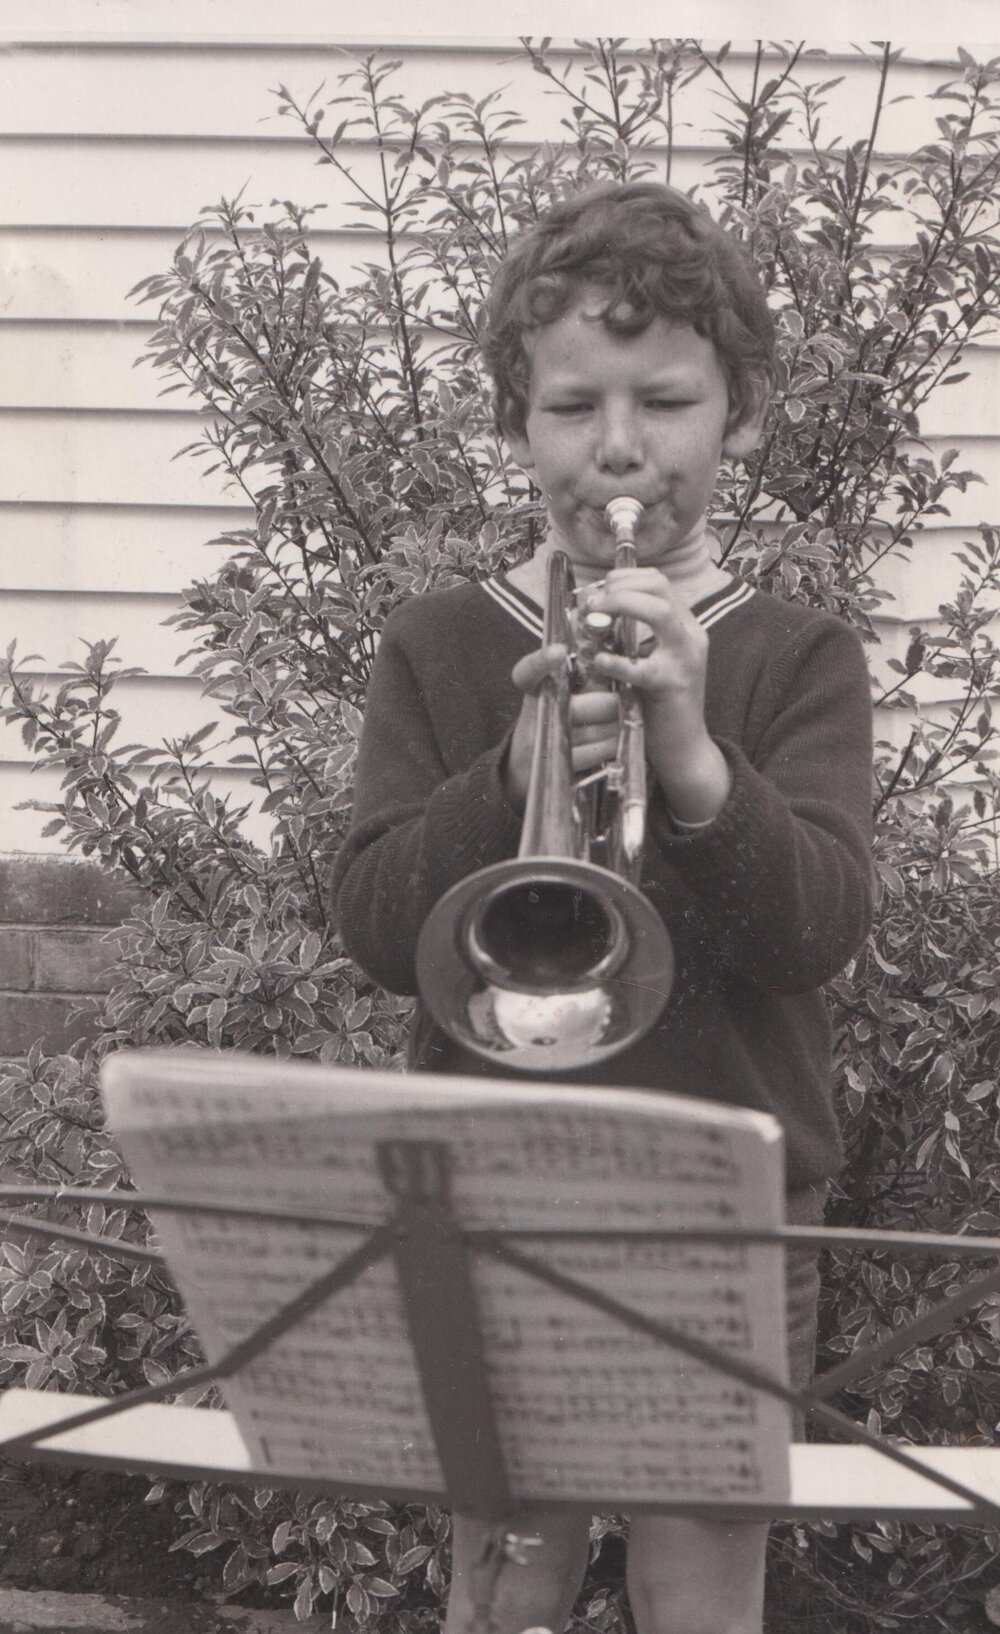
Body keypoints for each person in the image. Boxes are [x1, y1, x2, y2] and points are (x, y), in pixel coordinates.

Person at [332, 181, 874, 1634]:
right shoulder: (443, 647)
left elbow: (818, 926)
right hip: (494, 1183)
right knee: (503, 1585)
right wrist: (502, 770)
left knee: (701, 1594)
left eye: (668, 400)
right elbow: (382, 925)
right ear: (515, 423)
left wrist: (694, 761)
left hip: (729, 1202)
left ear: (742, 414)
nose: (621, 446)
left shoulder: (798, 657)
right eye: (572, 406)